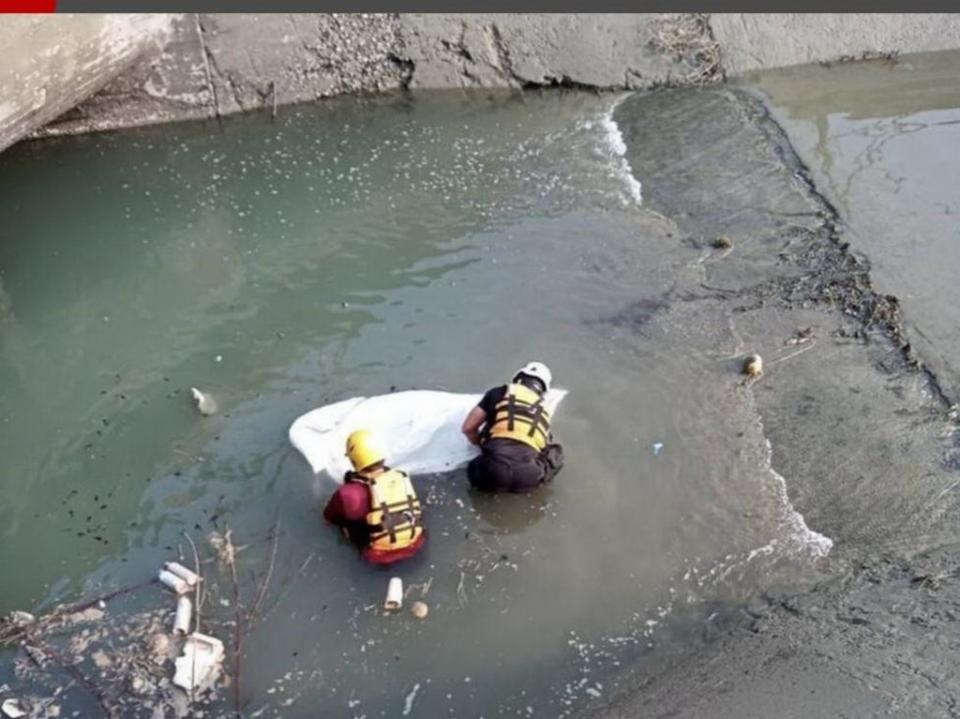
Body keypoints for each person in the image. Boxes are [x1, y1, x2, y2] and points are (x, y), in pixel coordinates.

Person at [323, 429, 425, 565]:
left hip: (377, 556)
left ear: (354, 461)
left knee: (345, 526)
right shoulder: (400, 477)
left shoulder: (347, 493)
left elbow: (328, 518)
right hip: (415, 545)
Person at [461, 362, 565, 493]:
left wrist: (480, 443)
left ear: (518, 378)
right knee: (555, 451)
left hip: (491, 472)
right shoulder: (544, 410)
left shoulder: (498, 392)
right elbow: (543, 447)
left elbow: (468, 428)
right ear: (543, 390)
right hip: (528, 478)